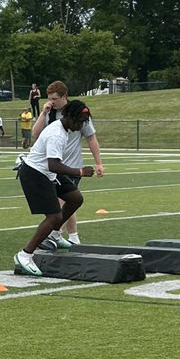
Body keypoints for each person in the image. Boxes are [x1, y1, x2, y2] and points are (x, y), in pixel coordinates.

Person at [14, 100, 96, 276]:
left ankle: (54, 236)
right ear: (69, 117)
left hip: (47, 172)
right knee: (54, 216)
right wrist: (79, 171)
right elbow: (53, 165)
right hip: (35, 173)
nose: (81, 125)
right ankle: (25, 254)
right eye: (80, 121)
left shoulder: (64, 129)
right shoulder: (57, 134)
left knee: (75, 198)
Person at [31, 80, 103, 245]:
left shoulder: (77, 112)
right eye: (50, 98)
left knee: (65, 202)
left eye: (55, 98)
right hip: (52, 165)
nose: (52, 101)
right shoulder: (50, 113)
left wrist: (98, 163)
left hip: (70, 166)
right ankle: (72, 236)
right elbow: (35, 134)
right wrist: (43, 113)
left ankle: (56, 234)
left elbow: (91, 138)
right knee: (70, 201)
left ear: (64, 96)